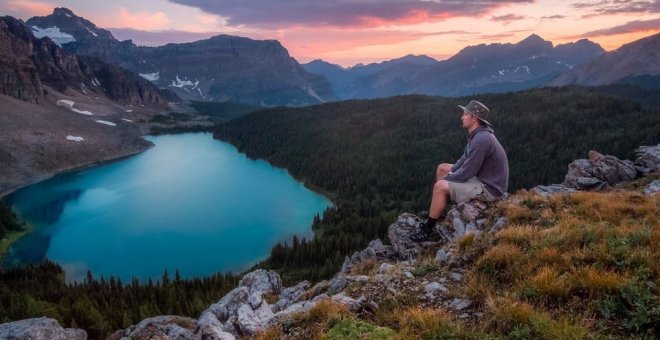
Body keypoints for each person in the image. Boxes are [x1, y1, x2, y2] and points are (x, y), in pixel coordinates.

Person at [410, 100, 509, 241]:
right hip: (482, 178)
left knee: (440, 186)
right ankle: (438, 212)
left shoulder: (482, 139)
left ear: (474, 118)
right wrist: (449, 173)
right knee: (442, 168)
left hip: (489, 189)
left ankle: (429, 230)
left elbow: (467, 172)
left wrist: (448, 179)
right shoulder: (477, 135)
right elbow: (463, 160)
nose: (461, 117)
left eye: (465, 114)